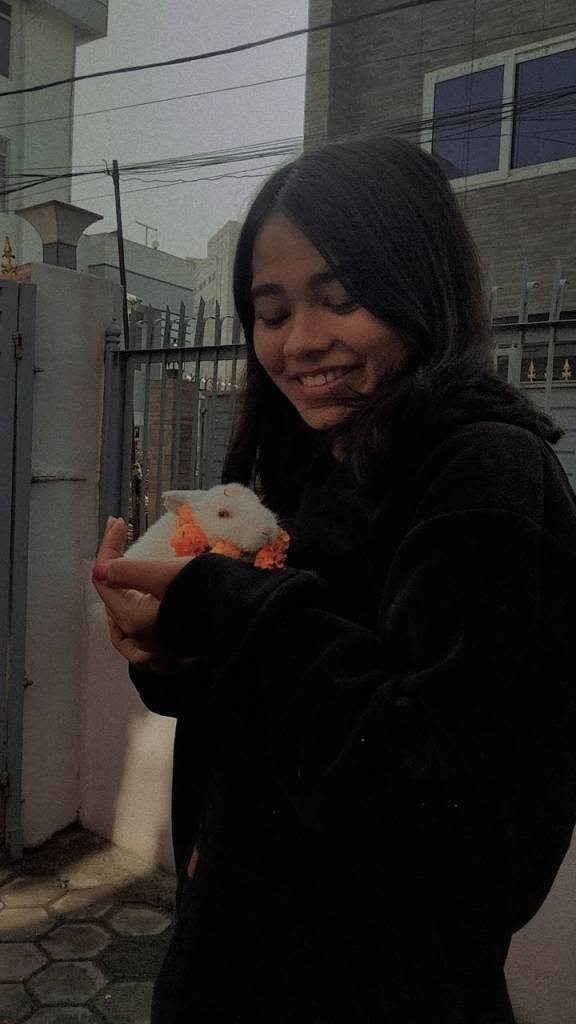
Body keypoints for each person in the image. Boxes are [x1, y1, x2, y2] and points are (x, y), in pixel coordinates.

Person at [92, 135, 576, 1024]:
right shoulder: (316, 463)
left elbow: (470, 842)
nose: (301, 342)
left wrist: (230, 612)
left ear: (420, 286)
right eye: (271, 312)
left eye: (341, 299)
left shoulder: (485, 477)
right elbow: (276, 713)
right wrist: (173, 653)